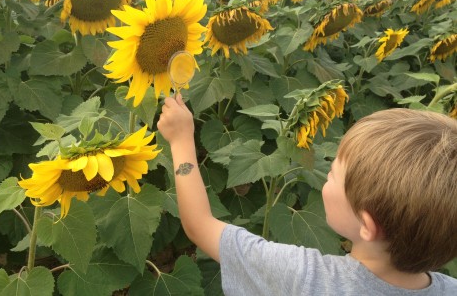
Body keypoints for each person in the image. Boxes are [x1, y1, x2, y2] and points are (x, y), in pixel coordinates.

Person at [157, 94, 457, 295]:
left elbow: (199, 224)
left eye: (334, 173)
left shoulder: (305, 278)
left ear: (367, 224)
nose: (327, 170)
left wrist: (181, 140)